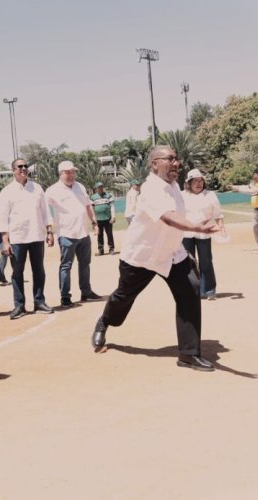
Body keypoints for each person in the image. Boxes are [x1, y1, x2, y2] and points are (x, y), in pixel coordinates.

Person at [91, 146, 221, 372]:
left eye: (176, 159)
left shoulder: (175, 188)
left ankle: (188, 354)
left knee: (190, 291)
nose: (175, 163)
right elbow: (168, 218)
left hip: (171, 254)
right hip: (142, 256)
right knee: (123, 296)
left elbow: (178, 218)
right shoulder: (151, 188)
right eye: (169, 159)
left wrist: (186, 251)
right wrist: (195, 227)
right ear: (154, 164)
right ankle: (105, 320)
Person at [0, 158, 55, 320]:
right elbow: (3, 219)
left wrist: (49, 231)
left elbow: (45, 212)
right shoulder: (7, 191)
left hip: (36, 235)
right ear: (13, 170)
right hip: (17, 238)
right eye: (20, 166)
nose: (23, 169)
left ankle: (39, 302)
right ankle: (19, 305)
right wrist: (5, 241)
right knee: (17, 272)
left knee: (39, 270)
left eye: (25, 166)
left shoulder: (37, 188)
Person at [45, 161, 102, 308]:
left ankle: (86, 292)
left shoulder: (80, 186)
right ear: (60, 173)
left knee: (85, 264)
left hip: (83, 232)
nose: (71, 175)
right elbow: (45, 211)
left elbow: (88, 205)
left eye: (73, 172)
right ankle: (65, 297)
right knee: (66, 266)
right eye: (68, 172)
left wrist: (94, 223)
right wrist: (49, 231)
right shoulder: (52, 190)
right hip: (66, 234)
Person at [182, 168, 223, 300]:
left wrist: (221, 226)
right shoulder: (182, 195)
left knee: (206, 261)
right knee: (189, 263)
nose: (199, 183)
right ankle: (192, 291)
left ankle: (209, 290)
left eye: (201, 181)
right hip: (186, 232)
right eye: (195, 181)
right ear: (189, 182)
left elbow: (217, 213)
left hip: (204, 232)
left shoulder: (210, 195)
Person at [91, 182, 116, 255]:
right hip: (98, 219)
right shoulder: (93, 197)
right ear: (96, 189)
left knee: (109, 234)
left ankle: (111, 249)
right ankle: (100, 250)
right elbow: (92, 209)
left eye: (102, 187)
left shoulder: (108, 195)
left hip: (108, 218)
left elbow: (112, 206)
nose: (101, 188)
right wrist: (93, 219)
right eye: (99, 187)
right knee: (99, 235)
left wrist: (113, 216)